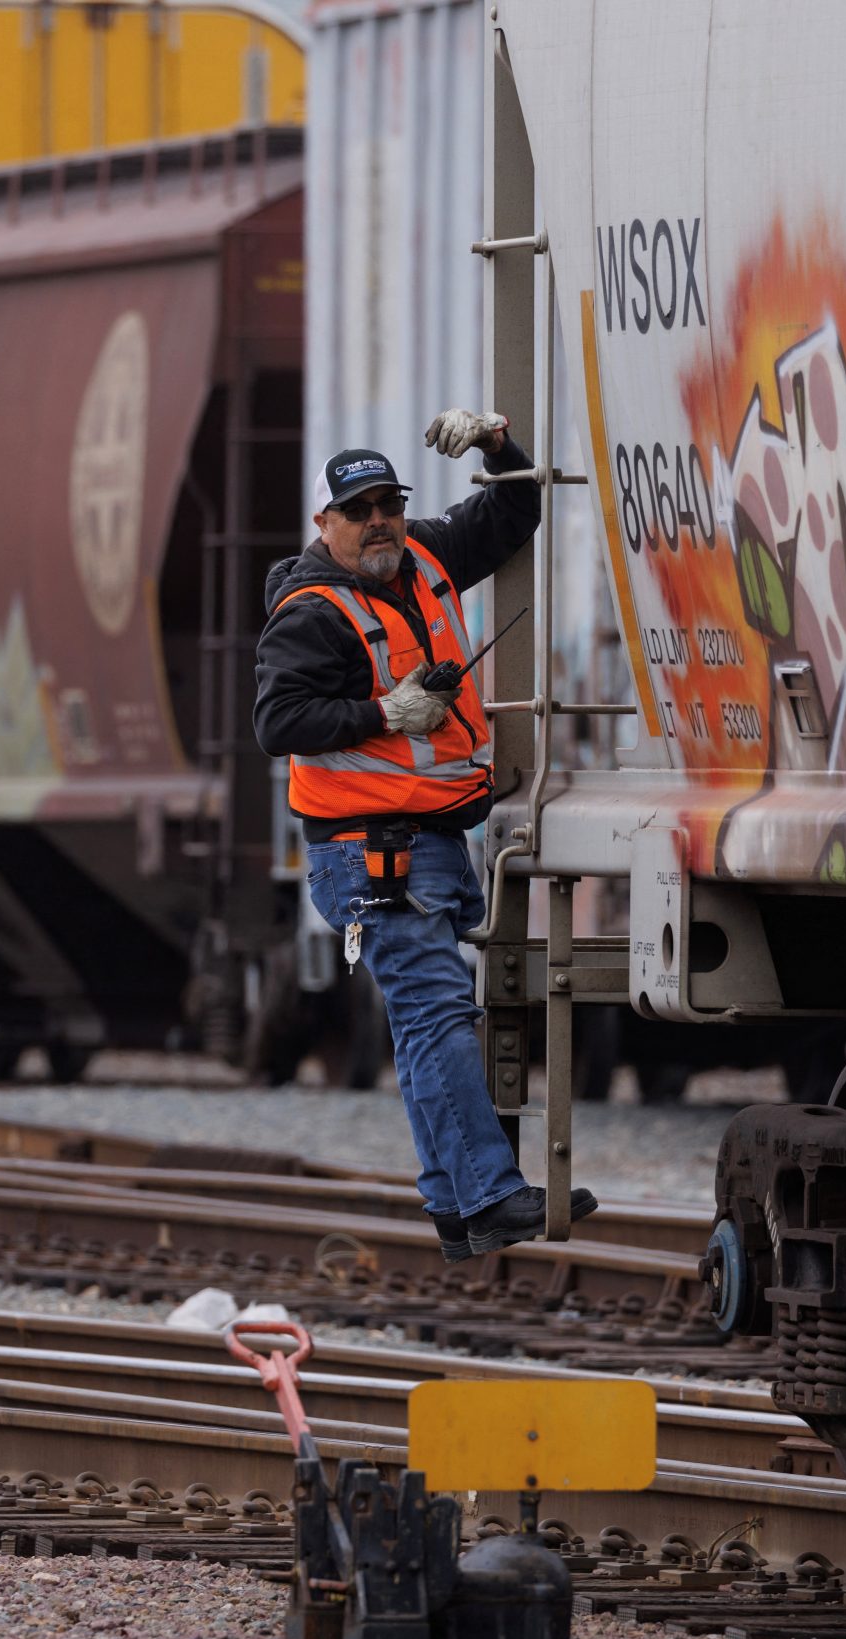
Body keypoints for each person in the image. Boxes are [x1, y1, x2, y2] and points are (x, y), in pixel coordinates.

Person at [253, 408, 599, 1259]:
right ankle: (490, 1195)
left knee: (423, 1023)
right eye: (360, 509)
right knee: (440, 1015)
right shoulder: (310, 612)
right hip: (366, 850)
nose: (379, 521)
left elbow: (514, 512)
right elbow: (277, 721)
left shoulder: (425, 558)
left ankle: (454, 1209)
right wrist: (386, 710)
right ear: (324, 524)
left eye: (390, 505)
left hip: (428, 843)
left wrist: (496, 443)